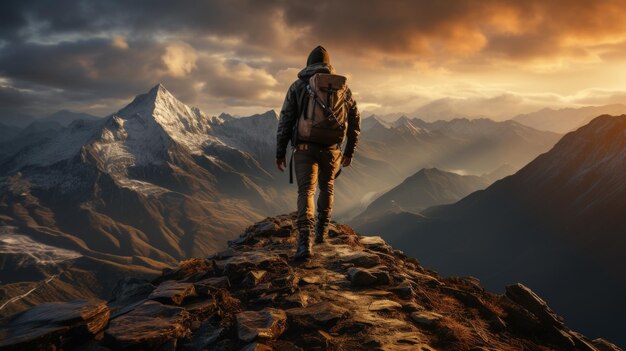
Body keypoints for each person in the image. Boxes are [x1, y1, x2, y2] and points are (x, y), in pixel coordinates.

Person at [275, 45, 361, 260]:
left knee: (306, 191)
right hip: (332, 149)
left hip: (304, 147)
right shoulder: (343, 89)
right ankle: (322, 233)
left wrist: (280, 152)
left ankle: (305, 242)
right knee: (327, 187)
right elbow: (355, 120)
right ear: (329, 65)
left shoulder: (298, 86)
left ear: (308, 64)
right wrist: (349, 151)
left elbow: (286, 119)